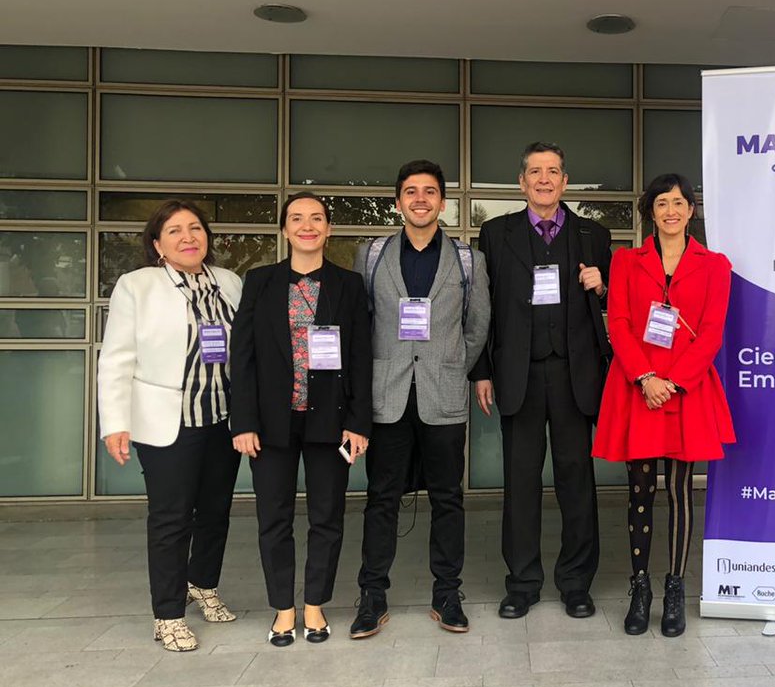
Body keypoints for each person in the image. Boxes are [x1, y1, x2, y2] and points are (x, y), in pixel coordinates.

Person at [349, 159, 490, 638]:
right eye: (411, 191)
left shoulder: (466, 259)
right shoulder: (371, 256)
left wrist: (452, 363)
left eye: (430, 191)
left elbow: (478, 325)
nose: (421, 199)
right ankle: (372, 596)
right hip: (386, 395)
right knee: (381, 498)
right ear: (398, 202)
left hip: (442, 392)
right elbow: (362, 325)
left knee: (448, 498)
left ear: (443, 202)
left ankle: (447, 593)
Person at [471, 142, 611, 620]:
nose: (545, 180)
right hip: (519, 374)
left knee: (577, 481)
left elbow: (617, 306)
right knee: (521, 482)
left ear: (565, 181)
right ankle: (522, 583)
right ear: (522, 182)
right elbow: (481, 311)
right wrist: (482, 370)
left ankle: (576, 583)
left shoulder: (594, 234)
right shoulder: (494, 234)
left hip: (577, 375)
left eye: (553, 171)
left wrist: (603, 286)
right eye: (536, 172)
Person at [97, 200, 243, 652]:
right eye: (175, 230)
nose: (188, 237)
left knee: (216, 510)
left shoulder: (230, 282)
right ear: (158, 243)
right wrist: (114, 422)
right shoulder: (137, 286)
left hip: (224, 417)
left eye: (195, 228)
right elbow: (117, 356)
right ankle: (168, 613)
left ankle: (203, 583)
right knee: (171, 517)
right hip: (168, 421)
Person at [593, 174, 735, 636]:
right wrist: (647, 377)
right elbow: (619, 321)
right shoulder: (625, 261)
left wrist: (673, 381)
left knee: (678, 491)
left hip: (685, 390)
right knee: (640, 491)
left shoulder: (715, 265)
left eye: (678, 202)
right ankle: (640, 586)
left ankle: (675, 586)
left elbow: (712, 332)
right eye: (661, 203)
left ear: (690, 210)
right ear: (649, 212)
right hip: (638, 387)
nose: (670, 210)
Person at [229, 193, 372, 647]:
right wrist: (243, 422)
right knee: (273, 517)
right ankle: (282, 609)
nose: (307, 226)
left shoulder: (349, 285)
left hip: (330, 421)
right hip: (270, 423)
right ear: (285, 230)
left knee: (327, 516)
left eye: (316, 219)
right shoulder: (260, 281)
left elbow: (363, 357)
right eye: (296, 219)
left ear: (328, 229)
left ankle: (315, 604)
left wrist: (359, 421)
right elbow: (243, 356)